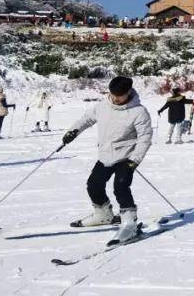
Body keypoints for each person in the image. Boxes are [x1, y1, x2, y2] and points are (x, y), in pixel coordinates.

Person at [63, 76, 152, 244]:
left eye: (120, 95)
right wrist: (73, 131)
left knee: (121, 186)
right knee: (93, 185)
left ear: (128, 93)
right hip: (105, 155)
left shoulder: (138, 112)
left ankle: (129, 222)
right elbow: (86, 119)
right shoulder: (103, 106)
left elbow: (145, 138)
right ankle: (103, 214)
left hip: (127, 157)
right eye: (113, 94)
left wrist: (134, 161)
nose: (116, 98)